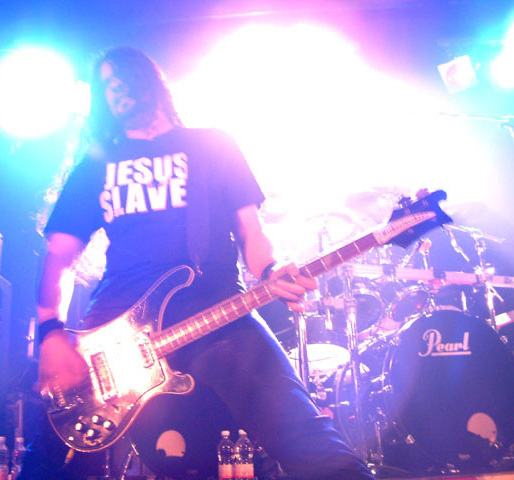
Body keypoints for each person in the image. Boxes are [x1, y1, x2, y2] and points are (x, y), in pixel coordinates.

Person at [22, 46, 375, 479]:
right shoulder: (96, 165)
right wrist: (51, 332)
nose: (117, 90)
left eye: (123, 77)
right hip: (114, 331)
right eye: (107, 85)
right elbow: (59, 256)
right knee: (52, 456)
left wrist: (269, 272)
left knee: (306, 438)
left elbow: (250, 232)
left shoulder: (212, 146)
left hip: (216, 312)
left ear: (152, 80)